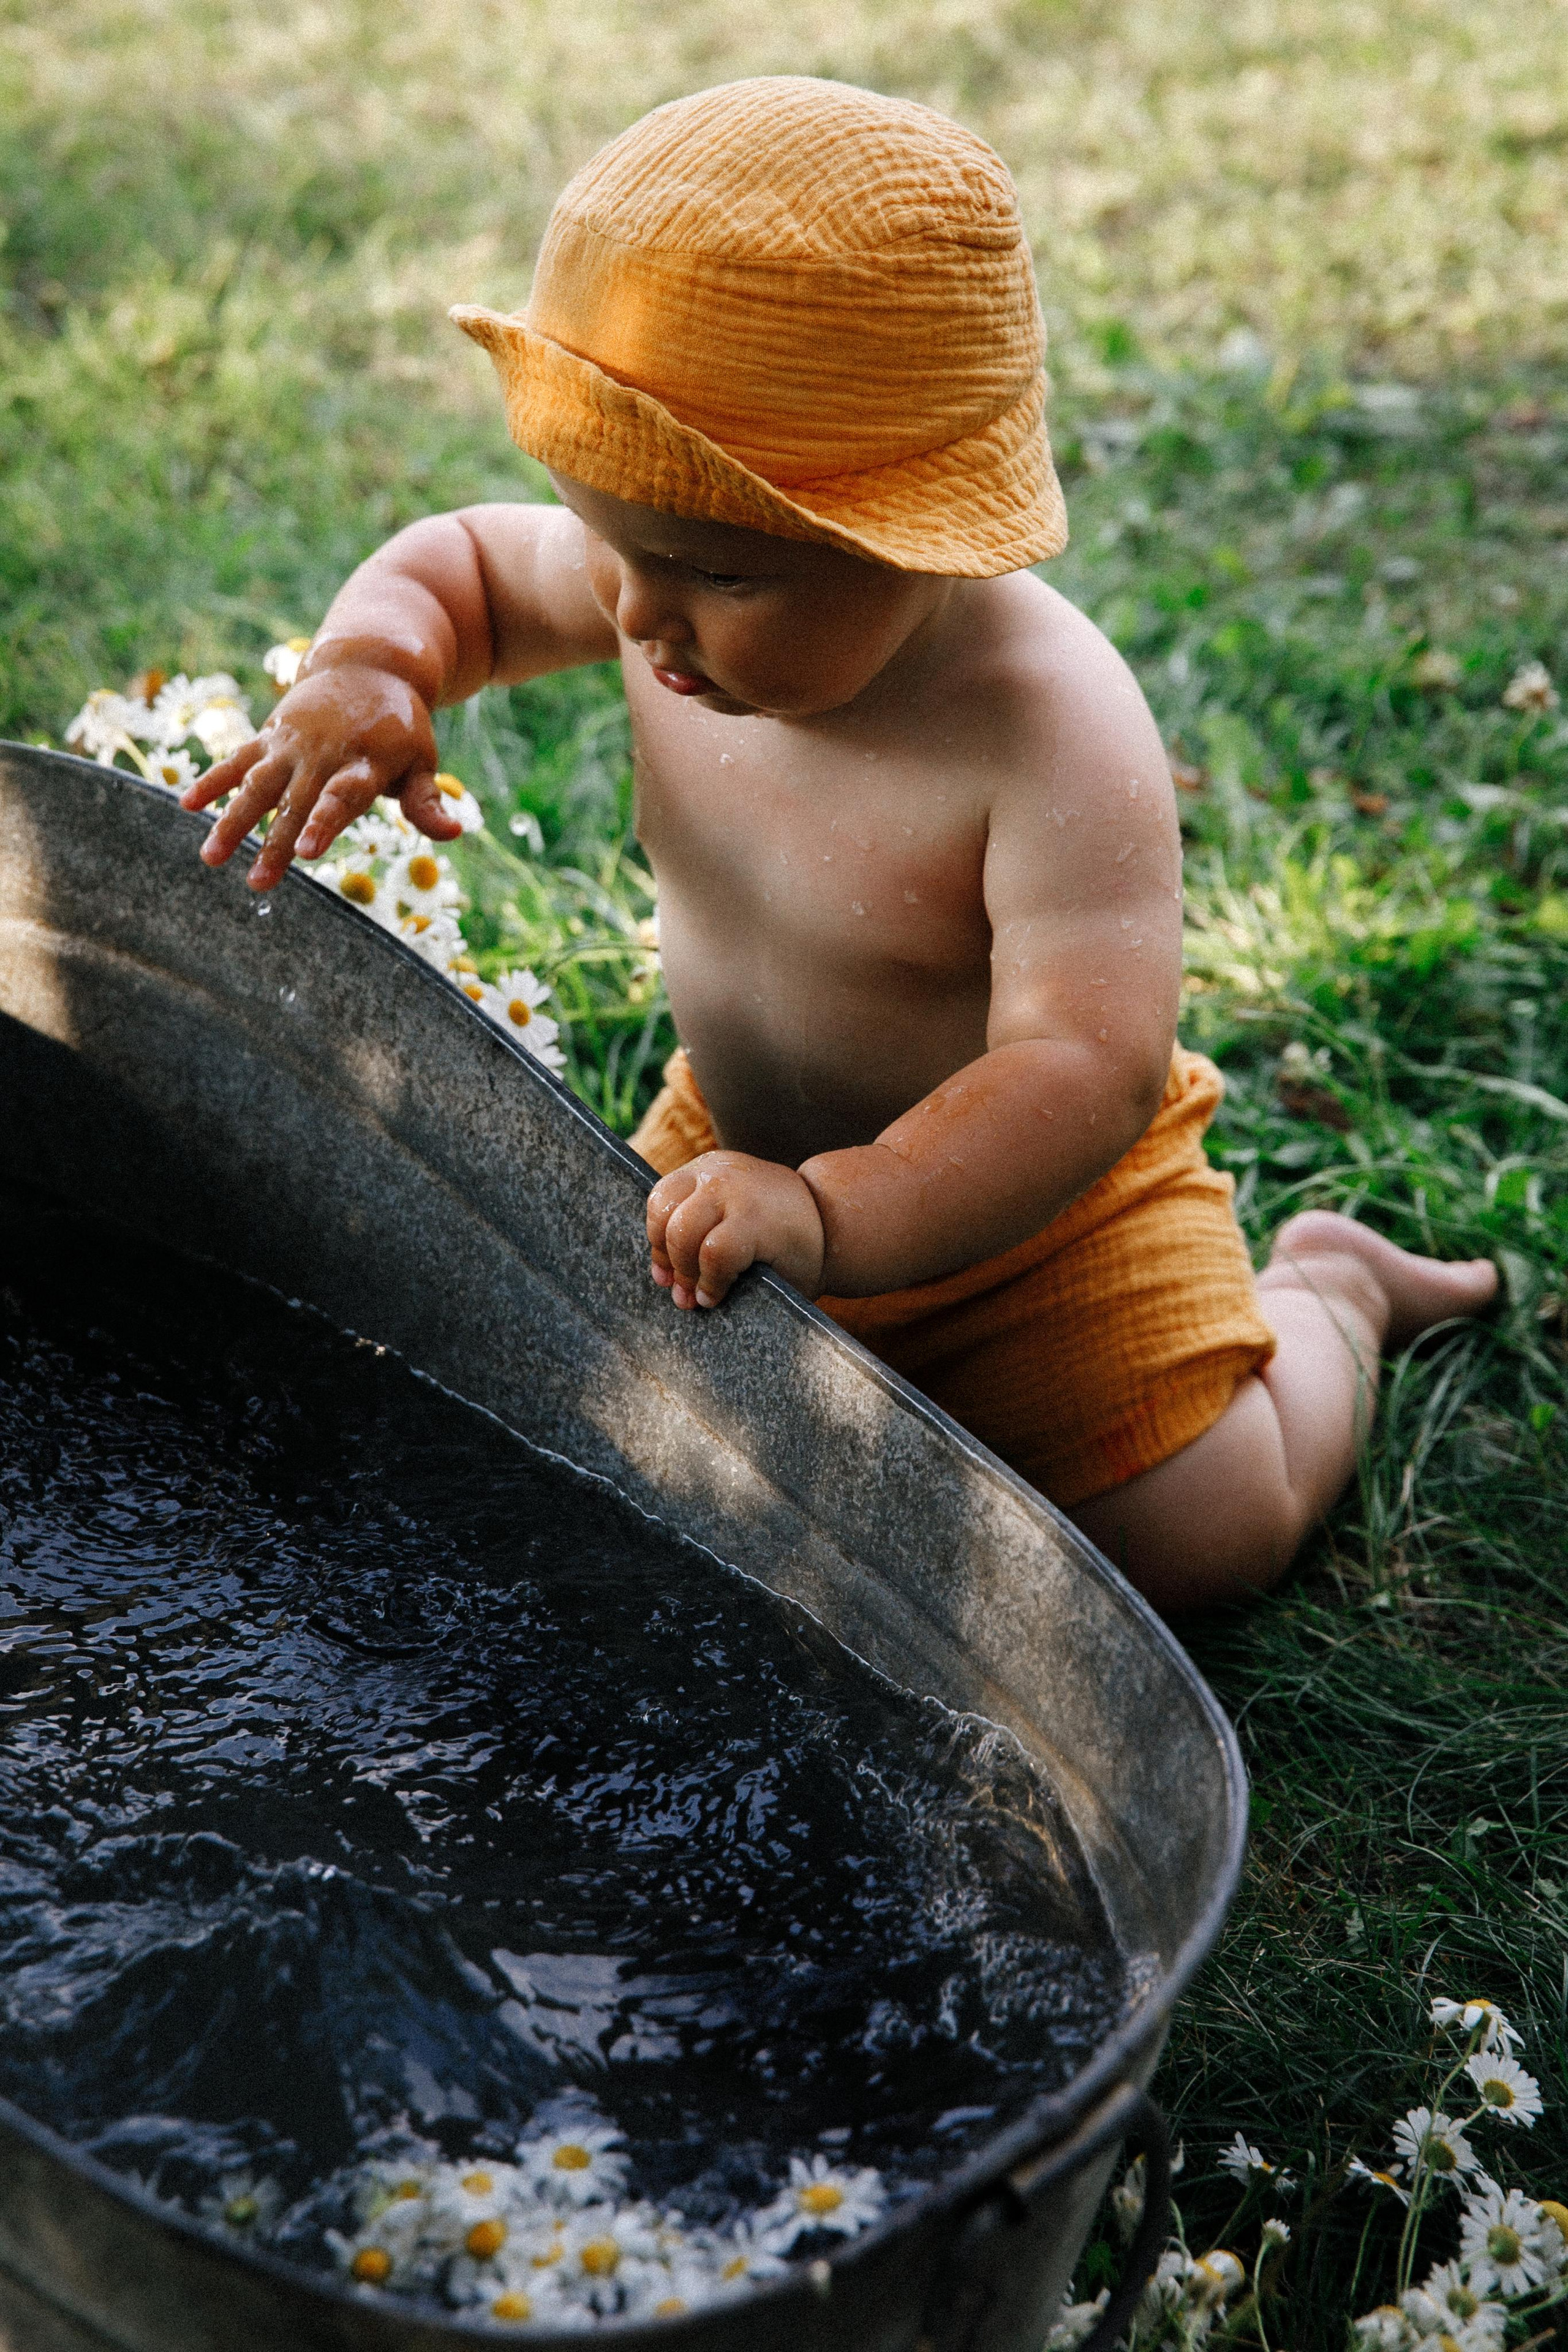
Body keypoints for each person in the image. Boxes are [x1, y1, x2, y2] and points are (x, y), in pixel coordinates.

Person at [183, 76, 1496, 1610]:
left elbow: (1083, 1064)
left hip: (1027, 1226)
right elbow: (464, 566)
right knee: (600, 1442)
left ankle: (1329, 1293)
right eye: (601, 537)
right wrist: (370, 666)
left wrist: (840, 1213)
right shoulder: (658, 578)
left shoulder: (1043, 729)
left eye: (712, 573)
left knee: (1200, 1539)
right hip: (735, 1166)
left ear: (917, 537)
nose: (632, 611)